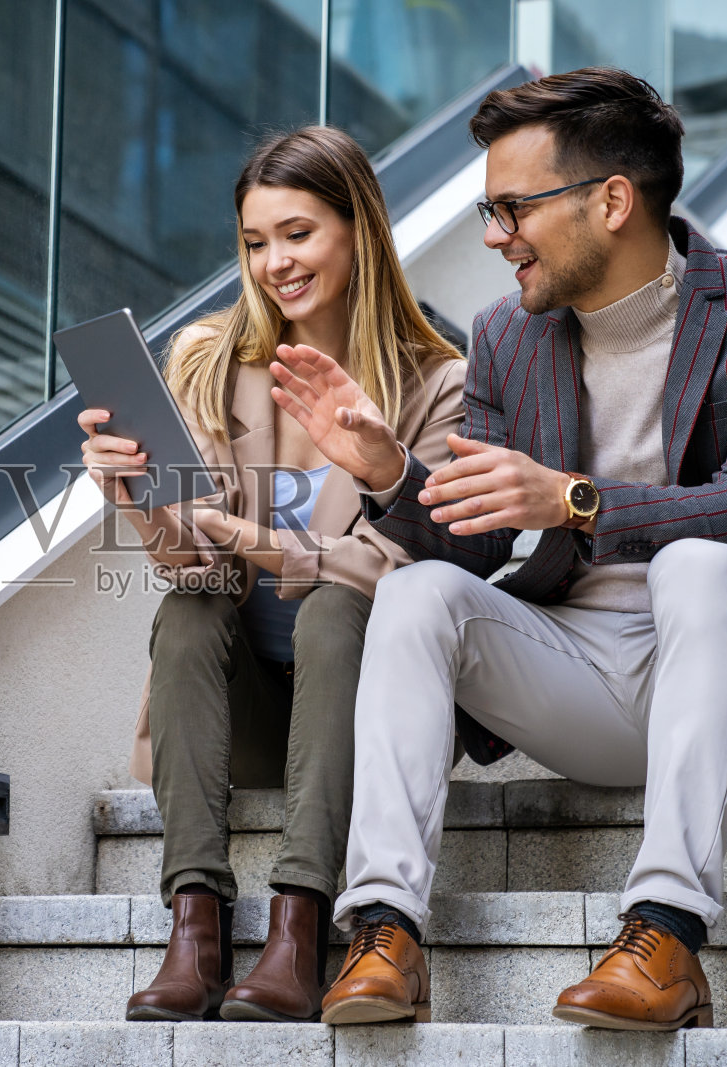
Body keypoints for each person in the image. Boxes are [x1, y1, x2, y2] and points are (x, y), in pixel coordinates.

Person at [271, 68, 727, 1030]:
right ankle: (384, 932)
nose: (496, 235)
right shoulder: (508, 335)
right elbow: (475, 545)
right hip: (581, 674)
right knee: (416, 596)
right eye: (488, 209)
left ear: (613, 201)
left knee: (701, 562)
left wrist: (577, 500)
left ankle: (665, 935)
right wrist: (388, 474)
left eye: (512, 208)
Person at [77, 126, 466, 1023]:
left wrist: (272, 546)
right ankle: (196, 929)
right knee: (189, 607)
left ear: (359, 230)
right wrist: (139, 497)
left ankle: (300, 927)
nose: (273, 263)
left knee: (338, 603)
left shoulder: (437, 382)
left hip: (367, 731)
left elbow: (415, 564)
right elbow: (197, 563)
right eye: (255, 242)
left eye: (297, 233)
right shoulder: (209, 363)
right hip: (247, 718)